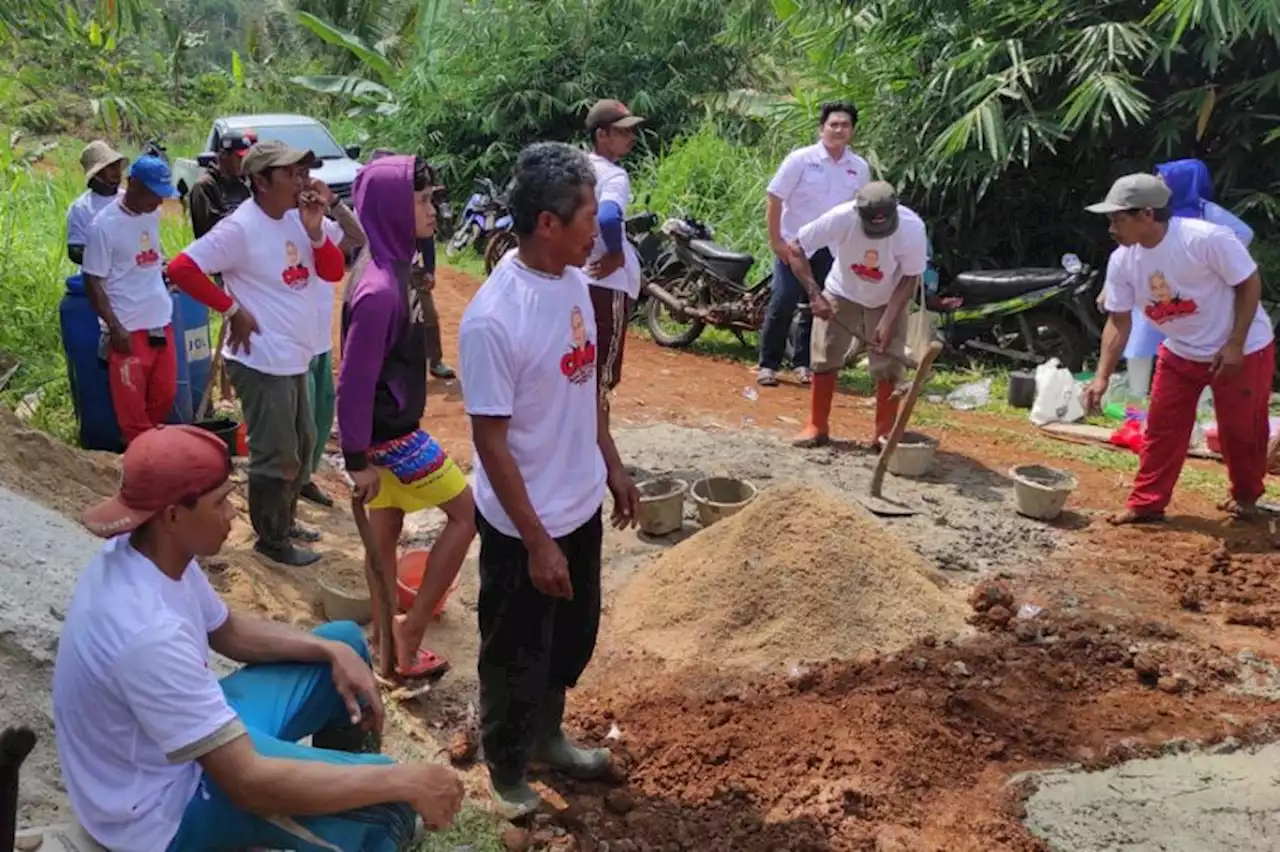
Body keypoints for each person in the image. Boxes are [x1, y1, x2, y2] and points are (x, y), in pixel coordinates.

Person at [52, 424, 463, 851]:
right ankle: (368, 824)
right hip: (162, 813)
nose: (232, 514)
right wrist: (397, 779)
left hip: (182, 752)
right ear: (173, 515)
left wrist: (329, 648)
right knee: (389, 802)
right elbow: (247, 781)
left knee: (343, 642)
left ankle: (347, 804)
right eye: (220, 503)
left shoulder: (154, 553)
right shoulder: (147, 634)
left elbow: (227, 631)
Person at [458, 142, 641, 819]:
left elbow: (587, 381)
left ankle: (546, 737)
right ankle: (505, 768)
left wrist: (612, 463)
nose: (599, 228)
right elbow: (490, 442)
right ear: (546, 222)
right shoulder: (493, 320)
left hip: (578, 503)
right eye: (588, 216)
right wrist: (536, 542)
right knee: (514, 653)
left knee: (570, 639)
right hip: (522, 524)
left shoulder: (570, 280)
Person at [167, 140, 345, 567]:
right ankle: (271, 539)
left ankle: (282, 520)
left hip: (292, 356)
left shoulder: (296, 219)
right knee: (276, 452)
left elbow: (333, 271)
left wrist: (316, 230)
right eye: (292, 173)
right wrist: (231, 309)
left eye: (304, 172)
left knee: (301, 443)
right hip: (261, 359)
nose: (302, 181)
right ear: (261, 181)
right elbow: (181, 268)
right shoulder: (240, 228)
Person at [338, 153, 476, 679]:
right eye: (420, 201)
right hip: (390, 436)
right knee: (468, 515)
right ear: (394, 209)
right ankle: (410, 629)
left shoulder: (394, 266)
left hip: (385, 429)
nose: (432, 210)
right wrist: (356, 459)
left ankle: (385, 651)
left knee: (386, 538)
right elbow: (352, 380)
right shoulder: (378, 290)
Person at [1082, 173, 1273, 524]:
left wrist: (1234, 345)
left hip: (1244, 347)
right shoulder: (1122, 260)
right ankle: (1147, 503)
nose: (1111, 228)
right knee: (1162, 428)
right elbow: (1119, 321)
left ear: (1148, 215)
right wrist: (1101, 377)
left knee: (1241, 430)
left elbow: (1248, 283)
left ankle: (1246, 497)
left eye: (1118, 218)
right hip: (1181, 350)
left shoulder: (1204, 239)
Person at [784, 181, 928, 449]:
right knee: (824, 354)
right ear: (858, 213)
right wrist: (815, 295)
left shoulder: (912, 228)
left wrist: (887, 321)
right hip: (841, 291)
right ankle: (816, 426)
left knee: (888, 364)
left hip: (888, 297)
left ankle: (883, 435)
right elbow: (795, 247)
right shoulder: (841, 218)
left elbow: (910, 277)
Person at [1120, 159, 1256, 397]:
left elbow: (1244, 233)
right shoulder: (1154, 211)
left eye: (1163, 182)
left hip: (1197, 287)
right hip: (1158, 284)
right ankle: (1137, 393)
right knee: (1142, 334)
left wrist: (1221, 260)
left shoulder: (1206, 211)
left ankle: (1205, 397)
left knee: (1203, 341)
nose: (1158, 185)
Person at [757, 102, 870, 387]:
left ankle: (804, 364)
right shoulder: (801, 160)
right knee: (783, 301)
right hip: (795, 245)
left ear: (852, 131)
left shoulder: (859, 168)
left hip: (833, 249)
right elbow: (774, 198)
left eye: (845, 125)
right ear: (822, 128)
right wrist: (776, 241)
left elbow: (860, 211)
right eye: (833, 124)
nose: (839, 129)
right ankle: (767, 365)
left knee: (818, 307)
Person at [81, 156, 182, 444]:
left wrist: (166, 271)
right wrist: (114, 326)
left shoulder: (150, 215)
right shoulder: (103, 227)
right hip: (128, 330)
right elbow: (93, 281)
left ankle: (150, 454)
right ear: (133, 184)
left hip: (160, 323)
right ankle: (140, 461)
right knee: (132, 411)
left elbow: (150, 258)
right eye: (154, 194)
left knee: (164, 395)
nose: (159, 203)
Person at [299, 170, 367, 509]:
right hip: (294, 346)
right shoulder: (277, 230)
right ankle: (292, 489)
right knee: (303, 425)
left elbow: (358, 236)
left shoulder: (322, 229)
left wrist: (335, 203)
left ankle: (305, 479)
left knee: (323, 420)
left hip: (320, 341)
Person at [369, 148, 457, 379]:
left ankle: (435, 360)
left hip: (412, 267)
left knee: (427, 314)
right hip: (386, 268)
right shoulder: (375, 210)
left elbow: (427, 238)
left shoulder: (414, 204)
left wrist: (429, 270)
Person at [583, 99, 645, 400]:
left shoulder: (578, 168)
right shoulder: (613, 176)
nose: (631, 137)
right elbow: (608, 215)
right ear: (601, 135)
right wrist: (617, 254)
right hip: (607, 283)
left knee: (579, 367)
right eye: (622, 132)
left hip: (579, 279)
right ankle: (595, 440)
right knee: (601, 378)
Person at [66, 140, 127, 266]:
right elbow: (75, 251)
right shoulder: (81, 207)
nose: (117, 172)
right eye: (111, 167)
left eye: (117, 166)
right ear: (97, 174)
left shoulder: (128, 199)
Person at [188, 129, 254, 239]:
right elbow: (209, 230)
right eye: (239, 157)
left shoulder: (244, 186)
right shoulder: (204, 186)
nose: (244, 162)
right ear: (223, 156)